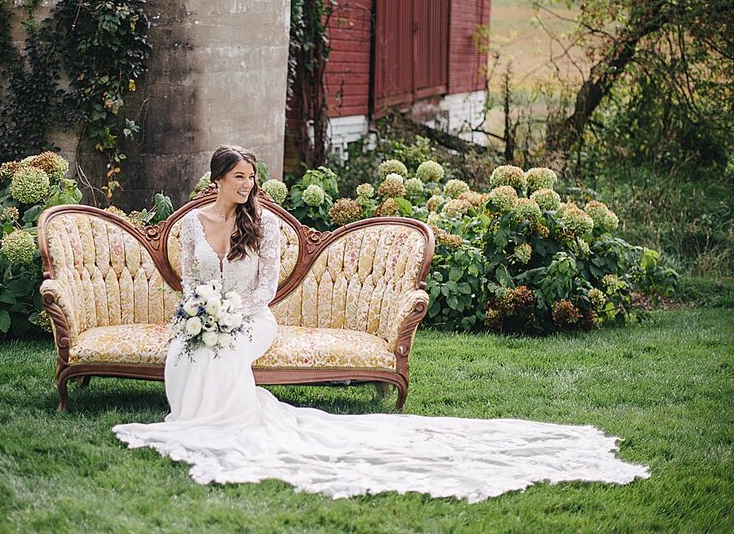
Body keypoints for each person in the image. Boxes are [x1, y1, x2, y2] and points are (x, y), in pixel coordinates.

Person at [112, 145, 649, 502]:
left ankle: (218, 425)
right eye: (239, 179)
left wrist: (233, 315)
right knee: (192, 345)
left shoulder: (265, 226)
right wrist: (203, 310)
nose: (248, 187)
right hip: (204, 311)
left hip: (253, 319)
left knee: (226, 348)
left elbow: (266, 289)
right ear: (217, 181)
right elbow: (187, 279)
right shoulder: (193, 224)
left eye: (252, 179)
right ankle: (198, 416)